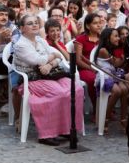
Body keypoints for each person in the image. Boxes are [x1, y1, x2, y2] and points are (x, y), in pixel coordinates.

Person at [13, 14, 83, 146]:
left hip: (50, 74)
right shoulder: (21, 45)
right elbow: (38, 61)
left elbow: (59, 59)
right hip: (32, 79)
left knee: (76, 89)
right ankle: (47, 134)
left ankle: (67, 129)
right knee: (58, 92)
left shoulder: (41, 41)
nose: (34, 25)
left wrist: (50, 63)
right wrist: (54, 55)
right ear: (22, 28)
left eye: (35, 22)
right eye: (30, 23)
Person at [75, 12, 102, 119]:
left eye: (100, 23)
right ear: (87, 26)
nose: (99, 25)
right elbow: (78, 60)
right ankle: (97, 109)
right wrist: (92, 68)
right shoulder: (81, 39)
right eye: (95, 23)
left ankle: (106, 108)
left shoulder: (103, 38)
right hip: (85, 69)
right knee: (92, 80)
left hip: (101, 68)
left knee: (109, 79)